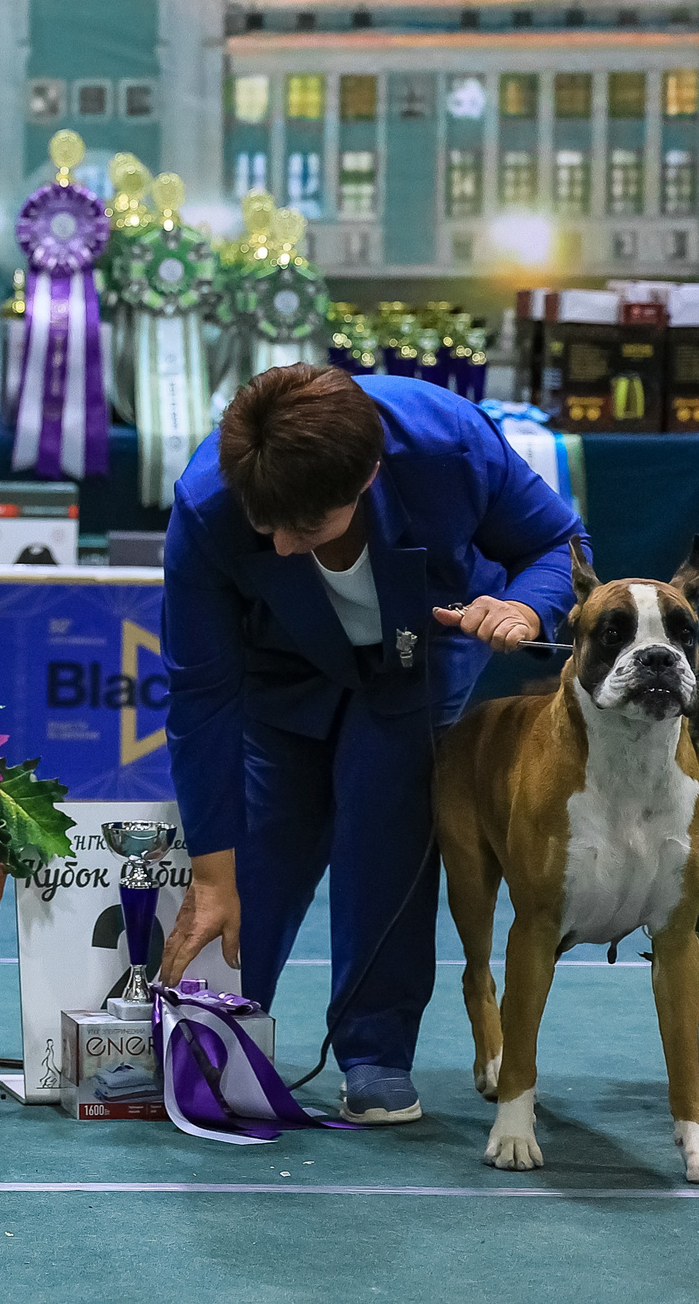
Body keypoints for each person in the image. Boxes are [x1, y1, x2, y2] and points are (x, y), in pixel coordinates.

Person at [158, 363, 588, 1124]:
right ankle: (213, 1031)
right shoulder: (207, 501)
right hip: (279, 668)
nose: (285, 547)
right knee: (263, 841)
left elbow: (559, 541)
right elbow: (202, 697)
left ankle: (375, 1054)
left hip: (417, 655)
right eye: (267, 527)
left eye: (308, 525)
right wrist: (212, 872)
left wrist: (524, 605)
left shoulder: (447, 445)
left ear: (369, 476)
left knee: (387, 824)